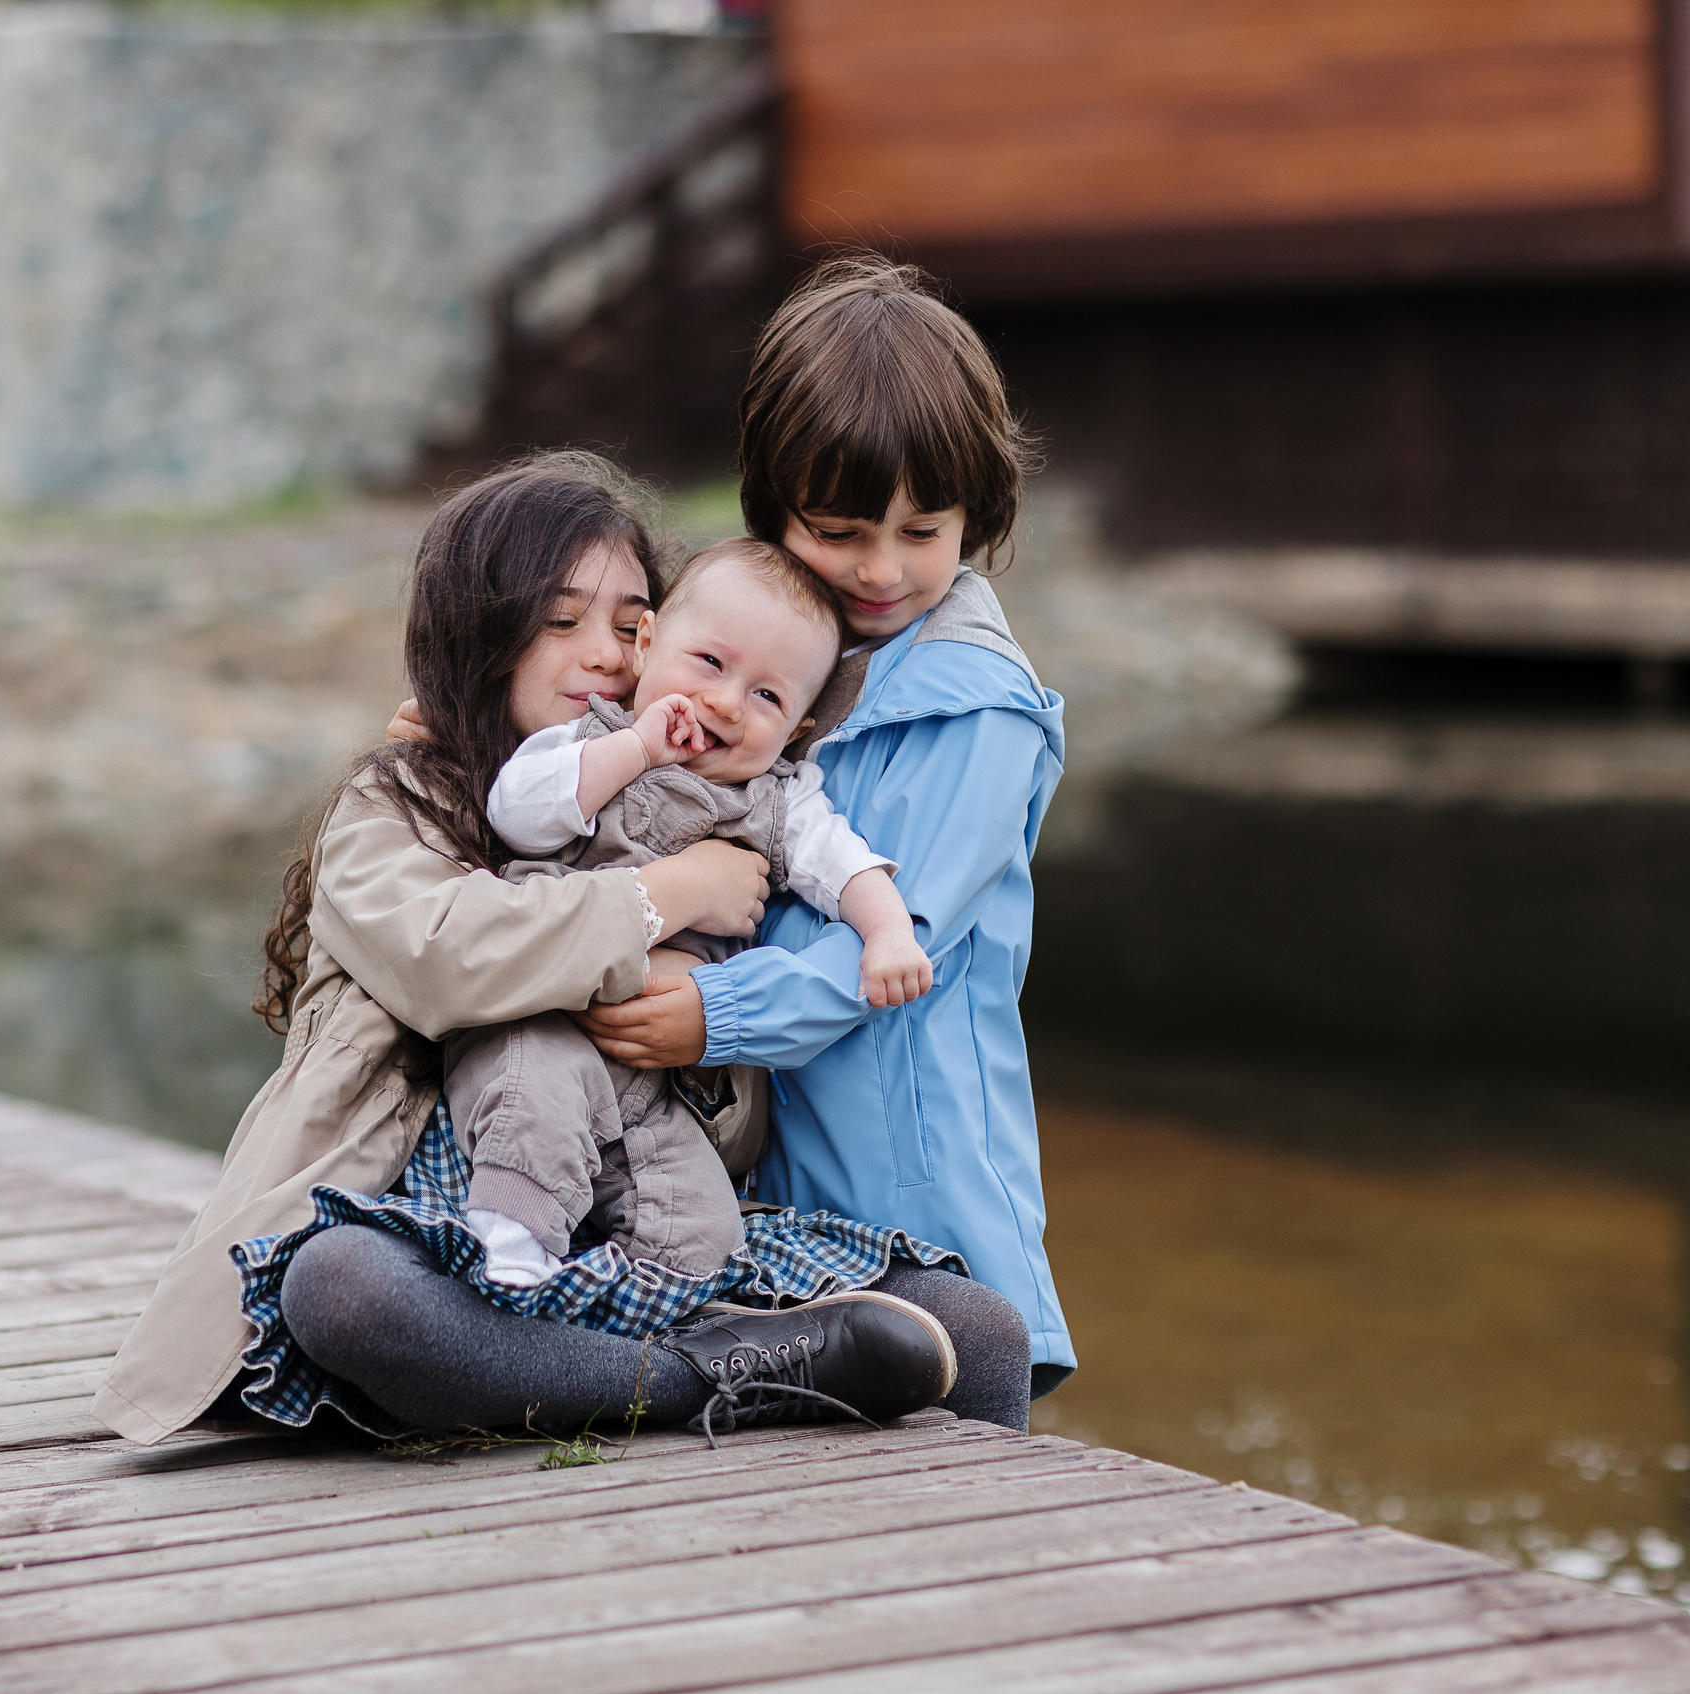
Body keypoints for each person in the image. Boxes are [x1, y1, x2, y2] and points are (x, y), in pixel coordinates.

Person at [93, 452, 1030, 1448]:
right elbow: (448, 957)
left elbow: (734, 1132)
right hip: (433, 1232)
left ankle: (703, 1373)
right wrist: (663, 897)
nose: (606, 655)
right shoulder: (399, 801)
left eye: (631, 625)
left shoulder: (706, 806)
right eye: (559, 621)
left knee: (977, 1330)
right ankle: (699, 1380)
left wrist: (693, 1016)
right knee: (343, 1289)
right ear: (479, 634)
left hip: (629, 1239)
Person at [575, 255, 1078, 1401]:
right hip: (776, 1206)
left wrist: (711, 1012)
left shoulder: (976, 709)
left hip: (924, 1206)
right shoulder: (784, 666)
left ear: (977, 513)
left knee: (960, 1498)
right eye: (839, 528)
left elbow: (893, 950)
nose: (879, 568)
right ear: (774, 504)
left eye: (921, 531)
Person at [450, 537, 930, 1288]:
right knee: (529, 1106)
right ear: (648, 645)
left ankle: (625, 1338)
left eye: (768, 696)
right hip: (543, 1023)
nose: (726, 703)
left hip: (657, 1081)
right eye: (709, 663)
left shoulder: (777, 797)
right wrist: (638, 748)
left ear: (799, 728)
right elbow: (518, 814)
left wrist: (889, 932)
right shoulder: (591, 737)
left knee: (703, 1227)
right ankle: (505, 1262)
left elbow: (845, 864)